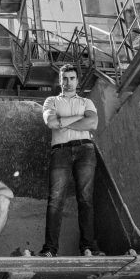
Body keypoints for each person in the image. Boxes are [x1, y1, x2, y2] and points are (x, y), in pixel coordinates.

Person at [39, 63, 104, 257]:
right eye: (65, 79)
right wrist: (78, 118)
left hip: (85, 150)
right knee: (55, 200)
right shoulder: (51, 101)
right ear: (60, 81)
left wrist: (63, 122)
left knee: (86, 199)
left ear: (77, 80)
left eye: (72, 78)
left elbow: (92, 123)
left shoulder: (86, 102)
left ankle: (88, 247)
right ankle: (50, 249)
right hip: (60, 151)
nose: (68, 82)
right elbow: (51, 123)